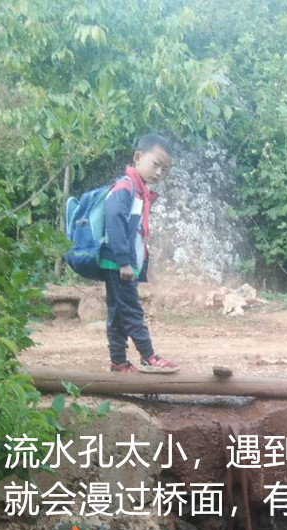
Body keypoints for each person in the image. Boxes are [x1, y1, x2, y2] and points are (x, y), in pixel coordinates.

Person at [99, 133, 179, 373]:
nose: (159, 173)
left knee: (118, 313)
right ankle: (148, 356)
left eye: (164, 170)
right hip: (119, 264)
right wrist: (124, 262)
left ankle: (118, 362)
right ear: (138, 157)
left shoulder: (139, 191)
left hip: (121, 264)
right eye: (156, 164)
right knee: (132, 310)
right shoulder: (126, 188)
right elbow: (114, 222)